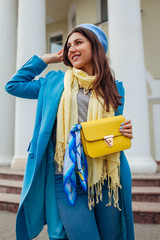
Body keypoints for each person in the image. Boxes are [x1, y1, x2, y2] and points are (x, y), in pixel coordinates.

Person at [5, 24, 135, 240]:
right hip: (67, 179)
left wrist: (125, 131)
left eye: (78, 42)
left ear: (95, 46)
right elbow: (14, 85)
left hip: (105, 178)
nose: (71, 48)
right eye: (68, 45)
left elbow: (110, 133)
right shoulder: (54, 82)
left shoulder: (114, 87)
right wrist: (45, 60)